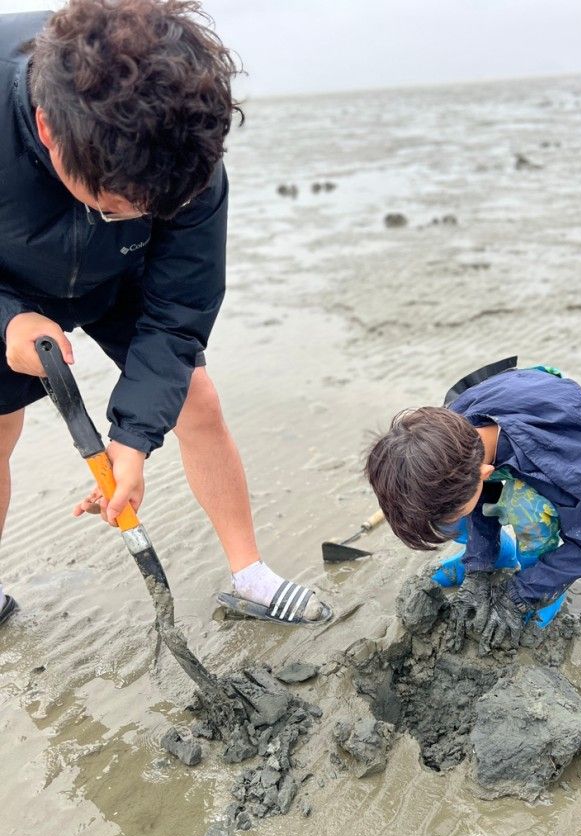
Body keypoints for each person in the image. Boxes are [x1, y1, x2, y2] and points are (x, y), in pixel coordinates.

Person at [0, 0, 331, 629]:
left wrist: (131, 441)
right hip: (8, 274)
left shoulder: (181, 148)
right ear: (47, 130)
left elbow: (180, 309)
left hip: (120, 270)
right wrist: (7, 321)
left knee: (195, 397)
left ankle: (251, 576)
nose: (144, 209)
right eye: (121, 203)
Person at [365, 358, 581, 654]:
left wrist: (521, 594)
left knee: (529, 513)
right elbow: (461, 497)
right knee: (443, 516)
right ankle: (494, 556)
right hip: (499, 423)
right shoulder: (444, 432)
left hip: (555, 429)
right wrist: (478, 569)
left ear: (485, 474)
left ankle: (541, 572)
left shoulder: (564, 464)